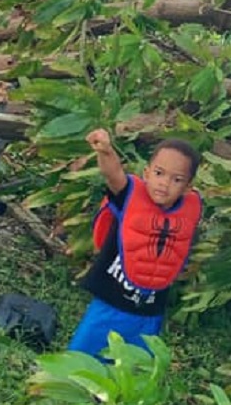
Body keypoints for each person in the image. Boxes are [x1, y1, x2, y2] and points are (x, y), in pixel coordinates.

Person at [67, 128, 203, 360]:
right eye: (159, 173)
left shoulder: (189, 211)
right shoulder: (129, 195)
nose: (164, 183)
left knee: (136, 366)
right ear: (147, 173)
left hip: (149, 310)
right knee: (82, 361)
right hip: (111, 301)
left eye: (177, 179)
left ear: (188, 187)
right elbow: (113, 174)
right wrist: (105, 150)